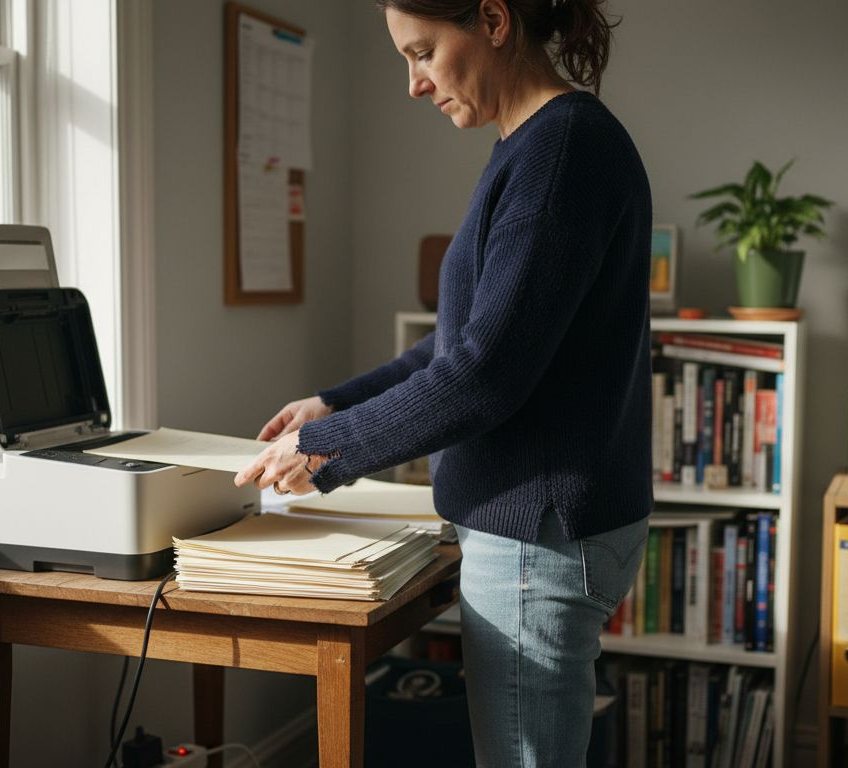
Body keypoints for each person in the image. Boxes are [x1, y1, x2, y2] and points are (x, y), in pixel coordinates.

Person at [236, 0, 652, 764]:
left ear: (493, 21)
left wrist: (329, 446)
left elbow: (485, 374)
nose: (414, 83)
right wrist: (337, 402)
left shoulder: (559, 151)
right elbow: (465, 339)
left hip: (538, 536)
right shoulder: (532, 146)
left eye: (423, 52)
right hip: (539, 530)